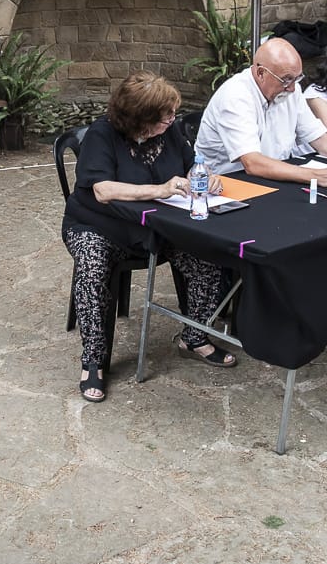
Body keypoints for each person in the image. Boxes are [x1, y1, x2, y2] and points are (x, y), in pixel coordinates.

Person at [61, 72, 237, 403]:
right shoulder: (102, 135)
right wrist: (159, 189)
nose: (172, 120)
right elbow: (103, 190)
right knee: (92, 264)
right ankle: (94, 361)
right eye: (164, 115)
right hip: (100, 225)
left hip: (157, 225)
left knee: (207, 254)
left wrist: (206, 178)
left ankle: (194, 336)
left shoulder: (168, 133)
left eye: (172, 113)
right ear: (139, 118)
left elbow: (191, 166)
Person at [195, 37, 327, 186]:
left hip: (272, 179)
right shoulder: (236, 96)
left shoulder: (291, 91)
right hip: (227, 185)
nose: (292, 88)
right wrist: (317, 176)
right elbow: (252, 163)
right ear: (261, 73)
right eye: (286, 80)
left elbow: (319, 138)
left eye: (297, 78)